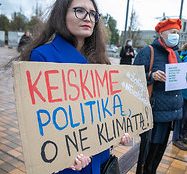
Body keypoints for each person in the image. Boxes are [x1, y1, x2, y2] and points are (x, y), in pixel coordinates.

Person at [7, 0, 131, 173]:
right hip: (69, 163)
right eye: (80, 11)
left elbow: (106, 109)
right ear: (62, 14)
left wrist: (118, 131)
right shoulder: (42, 56)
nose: (88, 18)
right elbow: (40, 122)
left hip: (100, 157)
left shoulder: (100, 59)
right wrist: (65, 155)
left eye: (93, 14)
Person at [133, 19, 183, 174]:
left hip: (170, 113)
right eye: (173, 32)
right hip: (154, 114)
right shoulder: (148, 52)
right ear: (161, 33)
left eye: (178, 33)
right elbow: (131, 77)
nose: (176, 36)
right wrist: (151, 75)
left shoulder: (175, 53)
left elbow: (178, 79)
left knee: (158, 153)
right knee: (147, 154)